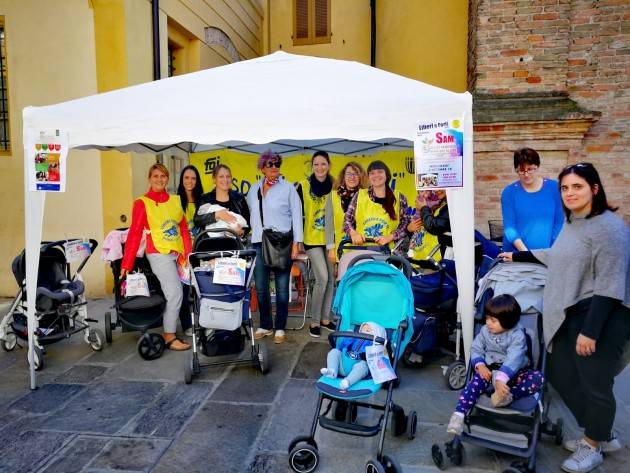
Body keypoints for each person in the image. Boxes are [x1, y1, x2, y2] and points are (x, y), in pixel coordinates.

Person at [500, 163, 630, 473]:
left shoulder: (609, 228)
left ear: (594, 189)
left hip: (603, 315)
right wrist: (516, 255)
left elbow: (610, 286)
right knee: (559, 372)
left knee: (595, 383)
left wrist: (591, 332)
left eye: (577, 187)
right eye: (564, 188)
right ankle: (599, 432)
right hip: (575, 311)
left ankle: (594, 445)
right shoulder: (576, 223)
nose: (569, 193)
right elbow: (556, 254)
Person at [447, 294, 544, 435]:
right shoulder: (485, 332)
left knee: (538, 378)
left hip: (515, 374)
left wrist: (501, 379)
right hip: (490, 371)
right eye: (487, 318)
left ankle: (508, 396)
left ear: (508, 321)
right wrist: (480, 365)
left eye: (493, 320)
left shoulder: (517, 335)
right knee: (475, 382)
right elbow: (476, 348)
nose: (488, 323)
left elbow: (515, 358)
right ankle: (459, 415)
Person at [121, 163, 192, 351]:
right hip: (158, 253)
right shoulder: (142, 203)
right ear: (149, 179)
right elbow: (135, 233)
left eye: (163, 176)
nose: (159, 179)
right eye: (156, 176)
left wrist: (188, 253)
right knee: (175, 292)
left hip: (178, 254)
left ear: (168, 179)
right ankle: (169, 335)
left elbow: (183, 229)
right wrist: (127, 263)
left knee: (183, 292)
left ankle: (185, 326)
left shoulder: (176, 200)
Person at [246, 151, 303, 344]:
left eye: (277, 164)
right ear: (262, 167)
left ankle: (280, 327)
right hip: (258, 242)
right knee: (260, 287)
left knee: (281, 287)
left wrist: (297, 243)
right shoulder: (253, 190)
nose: (274, 167)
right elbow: (249, 216)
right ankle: (265, 325)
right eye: (270, 164)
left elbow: (297, 216)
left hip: (281, 243)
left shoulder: (288, 189)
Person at [296, 151, 336, 338]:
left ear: (328, 165)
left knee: (330, 280)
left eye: (323, 164)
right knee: (322, 278)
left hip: (331, 240)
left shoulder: (336, 185)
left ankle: (325, 319)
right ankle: (314, 321)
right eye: (316, 164)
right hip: (311, 239)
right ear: (312, 166)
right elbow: (295, 215)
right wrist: (296, 241)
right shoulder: (303, 186)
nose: (320, 168)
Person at [501, 147, 564, 252]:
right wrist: (526, 254)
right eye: (521, 170)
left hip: (547, 253)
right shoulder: (509, 192)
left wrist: (549, 252)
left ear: (537, 166)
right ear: (516, 169)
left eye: (530, 169)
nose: (526, 175)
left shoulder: (554, 188)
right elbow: (510, 228)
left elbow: (559, 223)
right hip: (516, 254)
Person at [343, 160, 410, 248]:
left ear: (387, 175)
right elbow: (347, 221)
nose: (376, 176)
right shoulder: (359, 195)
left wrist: (389, 237)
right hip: (362, 251)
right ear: (368, 177)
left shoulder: (399, 197)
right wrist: (353, 233)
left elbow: (405, 224)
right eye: (372, 173)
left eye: (380, 172)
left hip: (389, 252)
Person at [320, 322, 387, 391]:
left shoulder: (374, 344)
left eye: (368, 331)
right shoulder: (355, 338)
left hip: (358, 372)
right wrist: (348, 338)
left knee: (363, 365)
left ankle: (348, 381)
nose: (364, 332)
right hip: (341, 366)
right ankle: (332, 371)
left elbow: (375, 358)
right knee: (334, 351)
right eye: (362, 330)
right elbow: (341, 347)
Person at [324, 161, 368, 263]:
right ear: (343, 176)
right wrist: (331, 249)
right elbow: (329, 225)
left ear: (361, 176)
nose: (352, 177)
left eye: (356, 173)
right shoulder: (333, 196)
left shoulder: (367, 195)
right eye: (348, 173)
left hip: (363, 247)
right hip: (342, 247)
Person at [193, 163, 250, 239]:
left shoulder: (239, 198)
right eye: (221, 177)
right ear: (214, 180)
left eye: (228, 176)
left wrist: (240, 232)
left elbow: (248, 223)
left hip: (234, 246)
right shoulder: (205, 199)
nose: (225, 180)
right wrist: (217, 215)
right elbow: (197, 220)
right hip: (211, 246)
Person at [406, 190, 450, 260]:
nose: (436, 190)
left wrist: (424, 208)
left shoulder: (448, 207)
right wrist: (409, 229)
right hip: (420, 254)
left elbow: (433, 227)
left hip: (433, 256)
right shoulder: (438, 202)